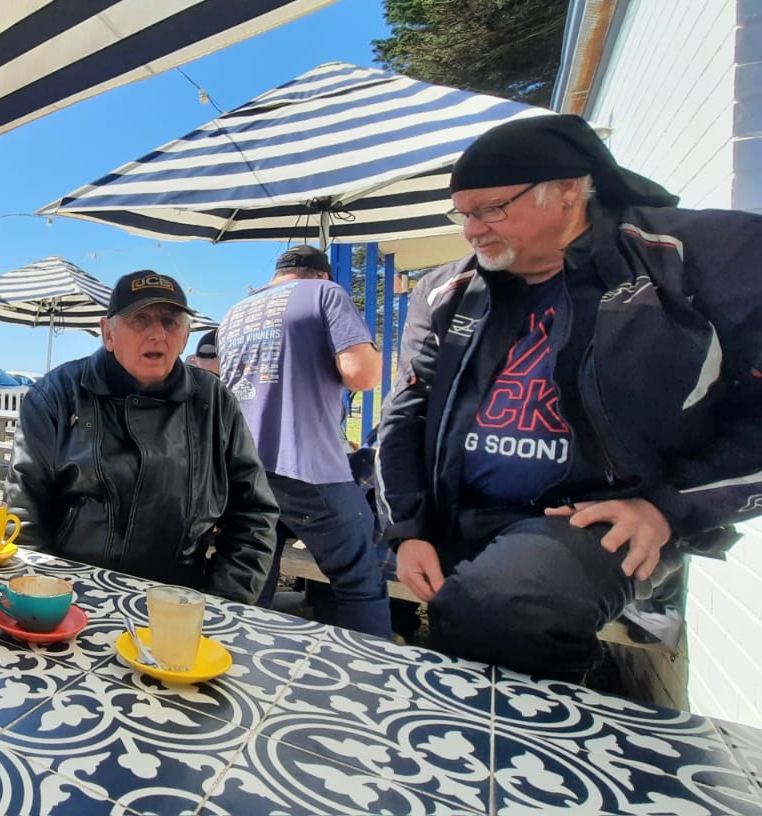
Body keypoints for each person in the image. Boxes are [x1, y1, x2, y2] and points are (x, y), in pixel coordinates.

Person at [377, 113, 762, 678]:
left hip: (604, 516)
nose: (472, 231)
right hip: (461, 512)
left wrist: (669, 505)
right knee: (457, 628)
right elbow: (406, 413)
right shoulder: (447, 290)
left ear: (566, 190)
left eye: (492, 209)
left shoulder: (693, 255)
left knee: (507, 608)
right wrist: (406, 530)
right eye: (463, 214)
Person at [5, 270, 278, 602]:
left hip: (179, 601)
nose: (157, 334)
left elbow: (254, 514)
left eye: (170, 321)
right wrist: (44, 600)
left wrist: (221, 602)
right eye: (140, 320)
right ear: (108, 333)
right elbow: (23, 515)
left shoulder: (214, 401)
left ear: (186, 335)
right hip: (72, 595)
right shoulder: (57, 395)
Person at [217, 245, 390, 637]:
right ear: (322, 274)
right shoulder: (326, 294)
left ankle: (246, 659)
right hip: (309, 466)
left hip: (244, 470)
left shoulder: (233, 314)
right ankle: (374, 670)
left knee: (254, 580)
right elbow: (362, 374)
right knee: (361, 579)